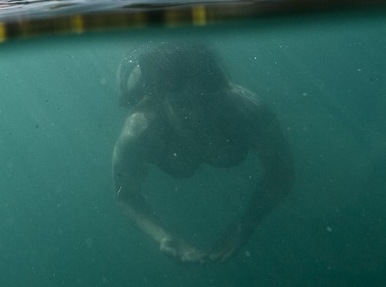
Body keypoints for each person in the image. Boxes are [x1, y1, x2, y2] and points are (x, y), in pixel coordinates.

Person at [112, 42, 294, 263]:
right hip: (142, 70)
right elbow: (127, 195)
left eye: (206, 100)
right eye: (183, 104)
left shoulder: (248, 112)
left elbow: (281, 169)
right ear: (160, 99)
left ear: (223, 89)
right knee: (139, 60)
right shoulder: (141, 132)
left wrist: (249, 220)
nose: (199, 117)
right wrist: (162, 236)